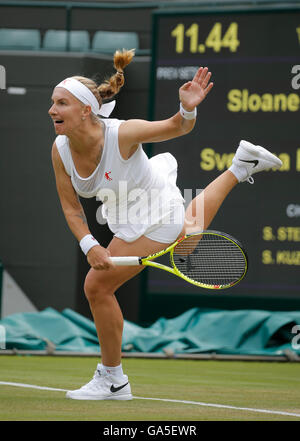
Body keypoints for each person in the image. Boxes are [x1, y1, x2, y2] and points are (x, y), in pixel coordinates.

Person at [49, 49, 282, 401]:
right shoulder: (60, 149)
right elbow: (71, 207)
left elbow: (178, 126)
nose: (52, 110)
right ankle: (240, 166)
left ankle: (113, 379)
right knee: (187, 241)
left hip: (153, 209)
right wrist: (89, 245)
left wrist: (187, 107)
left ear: (86, 110)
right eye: (53, 102)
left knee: (96, 287)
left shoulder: (123, 133)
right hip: (128, 209)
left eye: (62, 103)